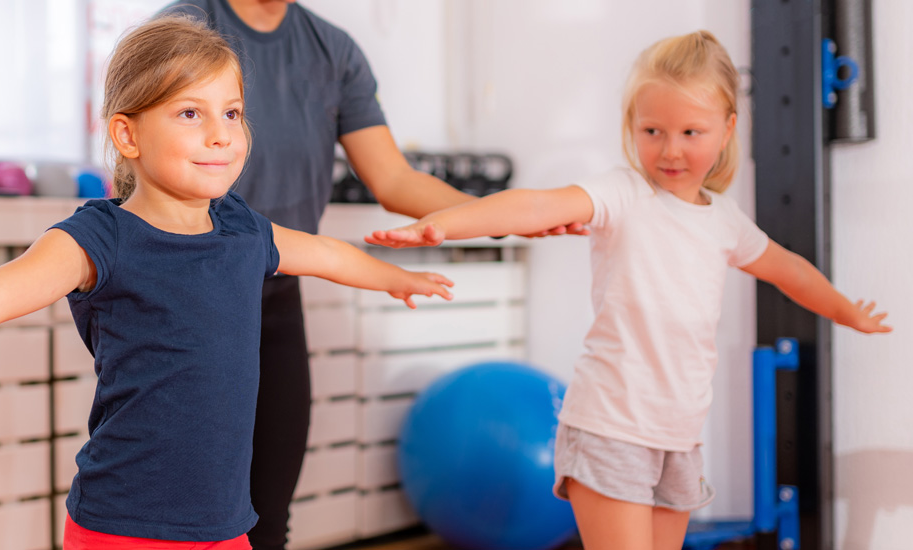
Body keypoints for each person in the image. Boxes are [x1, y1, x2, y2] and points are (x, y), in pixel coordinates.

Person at [0, 16, 456, 550]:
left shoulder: (244, 232)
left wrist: (395, 278)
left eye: (232, 113)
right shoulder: (99, 239)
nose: (222, 134)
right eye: (191, 114)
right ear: (128, 134)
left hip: (226, 528)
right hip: (125, 528)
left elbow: (327, 255)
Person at [364, 30, 892, 550]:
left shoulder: (725, 221)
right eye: (652, 130)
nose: (670, 150)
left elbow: (788, 270)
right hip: (611, 428)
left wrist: (844, 310)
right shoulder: (622, 193)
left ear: (728, 129)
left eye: (691, 132)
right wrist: (442, 224)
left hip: (679, 439)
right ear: (631, 126)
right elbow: (532, 206)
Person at [155, 2, 585, 547]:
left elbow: (392, 178)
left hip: (275, 298)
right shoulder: (188, 24)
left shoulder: (332, 50)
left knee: (267, 514)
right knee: (184, 513)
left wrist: (495, 219)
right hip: (190, 297)